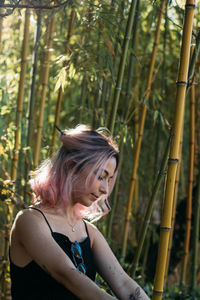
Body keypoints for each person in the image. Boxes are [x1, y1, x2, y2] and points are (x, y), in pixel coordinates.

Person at [9, 124, 150, 300]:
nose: (105, 189)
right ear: (71, 166)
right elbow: (69, 276)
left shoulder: (89, 233)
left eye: (109, 179)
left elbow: (123, 283)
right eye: (101, 177)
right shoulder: (29, 221)